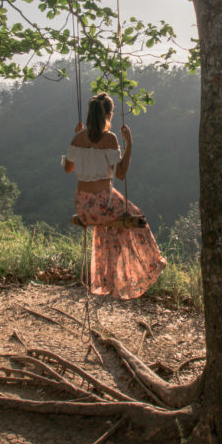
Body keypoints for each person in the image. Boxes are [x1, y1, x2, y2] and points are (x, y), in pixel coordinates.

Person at [62, 93, 165, 299]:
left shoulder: (78, 138)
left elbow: (68, 168)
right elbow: (120, 173)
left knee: (108, 230)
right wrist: (129, 145)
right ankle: (150, 265)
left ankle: (109, 279)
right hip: (103, 203)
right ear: (108, 115)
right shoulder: (110, 139)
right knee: (137, 219)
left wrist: (78, 138)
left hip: (83, 206)